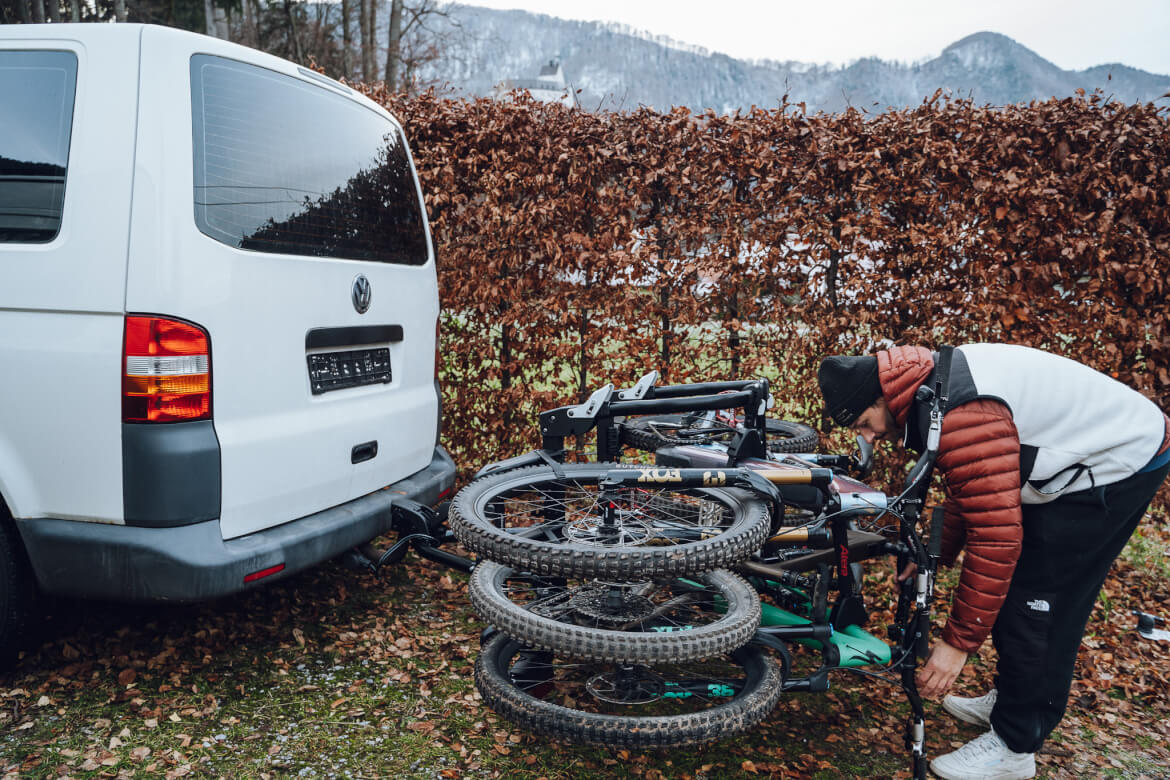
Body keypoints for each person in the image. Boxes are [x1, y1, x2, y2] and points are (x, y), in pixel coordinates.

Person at [817, 343, 1170, 780]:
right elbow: (977, 487)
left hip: (1121, 461)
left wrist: (956, 645)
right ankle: (1012, 696)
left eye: (864, 424)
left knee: (1038, 601)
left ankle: (1015, 746)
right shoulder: (931, 384)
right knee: (1020, 590)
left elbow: (997, 539)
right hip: (1080, 452)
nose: (868, 437)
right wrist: (936, 552)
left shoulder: (961, 410)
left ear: (881, 398)